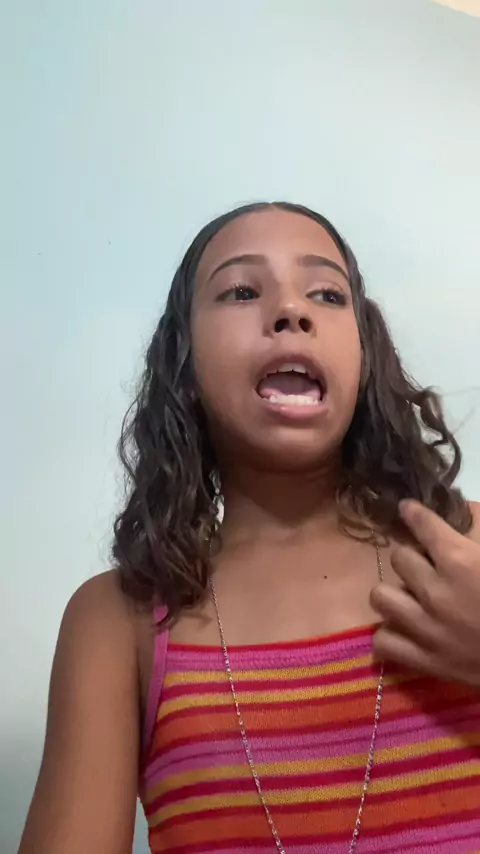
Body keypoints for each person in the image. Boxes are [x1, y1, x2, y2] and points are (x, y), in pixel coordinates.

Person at [18, 202, 480, 854]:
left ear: (365, 354)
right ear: (184, 363)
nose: (292, 311)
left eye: (327, 294)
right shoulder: (119, 623)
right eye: (240, 291)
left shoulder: (465, 549)